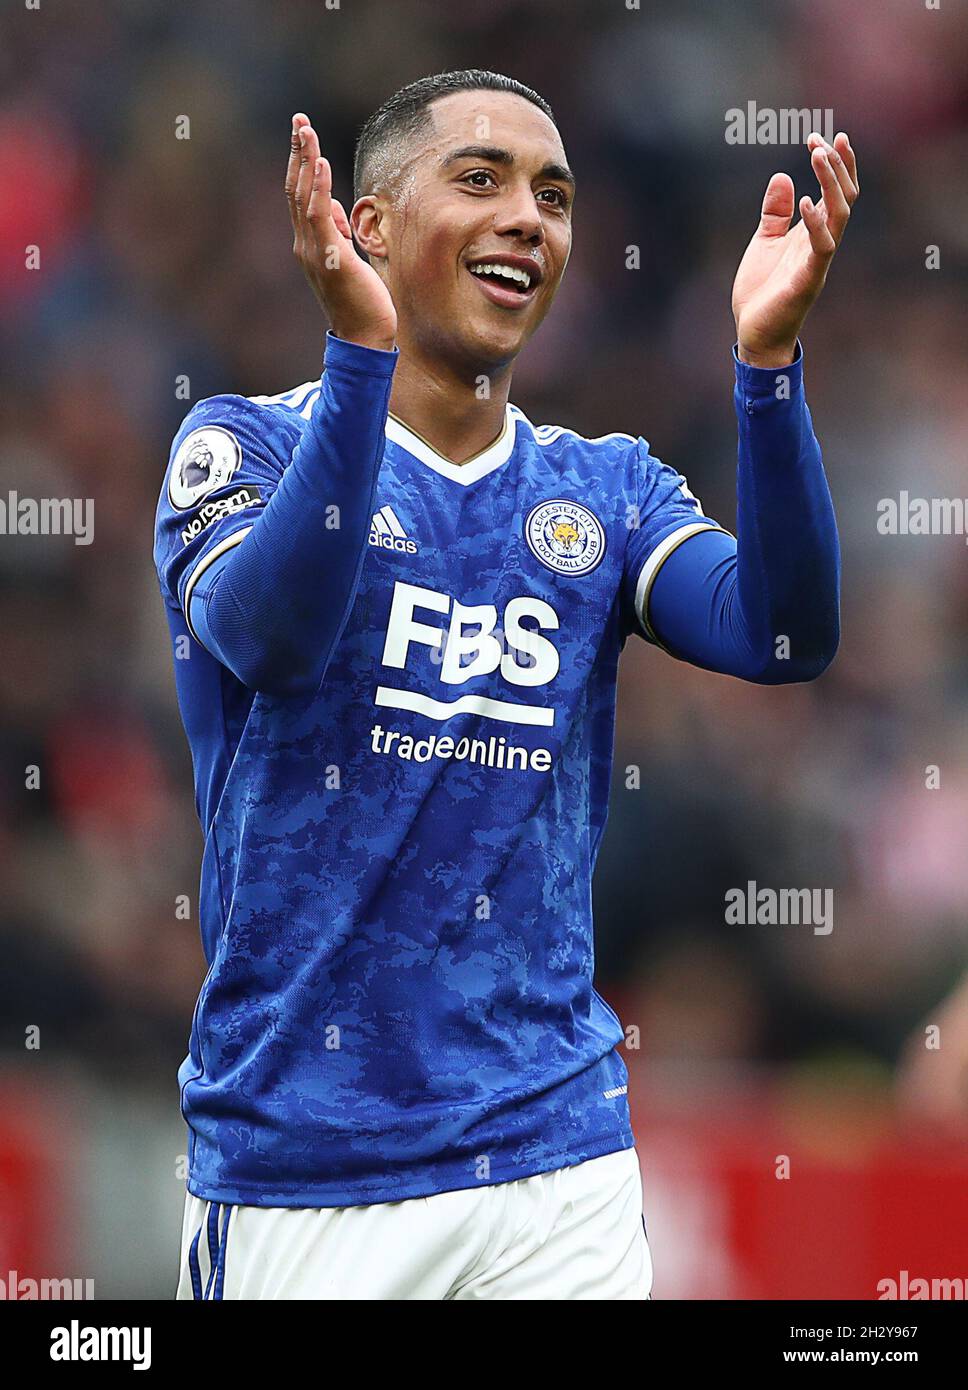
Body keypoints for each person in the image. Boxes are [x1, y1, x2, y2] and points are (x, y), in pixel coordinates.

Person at [154, 69, 857, 1300]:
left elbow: (782, 634)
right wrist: (359, 359)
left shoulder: (606, 490)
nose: (527, 216)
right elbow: (274, 639)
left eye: (552, 193)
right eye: (477, 180)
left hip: (555, 1157)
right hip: (308, 1162)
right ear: (366, 225)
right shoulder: (240, 446)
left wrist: (767, 363)